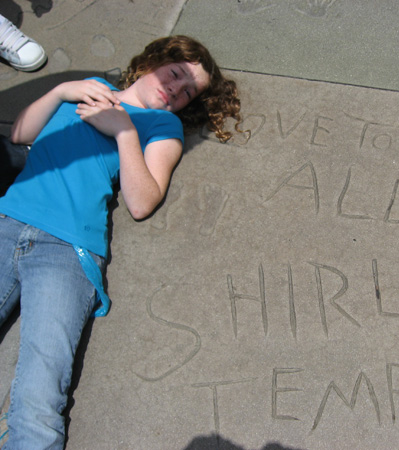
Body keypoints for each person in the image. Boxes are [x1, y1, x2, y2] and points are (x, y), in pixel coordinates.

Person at [0, 35, 242, 449]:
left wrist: (125, 132)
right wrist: (61, 91)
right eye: (175, 74)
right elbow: (22, 134)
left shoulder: (161, 126)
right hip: (7, 220)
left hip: (67, 251)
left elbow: (143, 202)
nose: (177, 90)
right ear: (154, 61)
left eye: (188, 92)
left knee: (39, 398)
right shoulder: (89, 89)